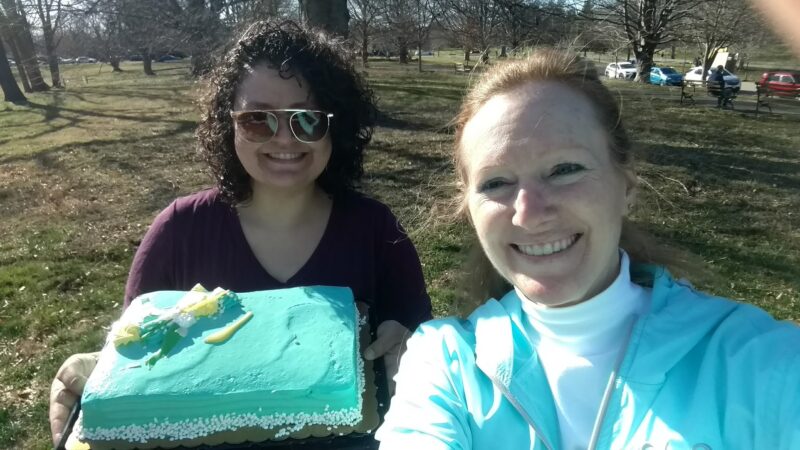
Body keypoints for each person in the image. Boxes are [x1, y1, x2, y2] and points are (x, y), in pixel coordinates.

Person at [376, 50, 800, 449]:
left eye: (564, 170)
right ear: (469, 209)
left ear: (626, 188)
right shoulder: (445, 364)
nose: (529, 213)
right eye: (496, 183)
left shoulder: (762, 363)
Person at [49, 20, 432, 446]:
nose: (284, 138)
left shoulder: (377, 231)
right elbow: (135, 359)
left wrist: (410, 346)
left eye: (307, 120)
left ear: (335, 128)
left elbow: (426, 355)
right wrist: (96, 376)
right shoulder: (179, 230)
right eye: (256, 120)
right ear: (227, 124)